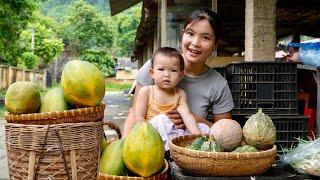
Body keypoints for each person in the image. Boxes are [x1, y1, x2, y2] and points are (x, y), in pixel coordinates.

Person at [123, 9, 234, 137]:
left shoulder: (218, 84)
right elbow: (135, 113)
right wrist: (124, 146)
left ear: (215, 44)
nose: (195, 43)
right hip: (149, 143)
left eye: (205, 38)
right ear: (183, 34)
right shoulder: (155, 67)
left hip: (187, 146)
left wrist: (193, 119)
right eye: (190, 34)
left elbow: (226, 133)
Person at [134, 47, 210, 150]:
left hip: (174, 132)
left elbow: (187, 116)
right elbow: (139, 117)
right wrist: (143, 137)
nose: (166, 75)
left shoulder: (180, 94)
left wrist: (198, 136)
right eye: (161, 69)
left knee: (203, 127)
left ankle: (193, 149)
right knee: (161, 119)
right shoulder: (146, 91)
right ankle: (168, 152)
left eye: (173, 70)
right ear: (152, 73)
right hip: (152, 135)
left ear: (180, 75)